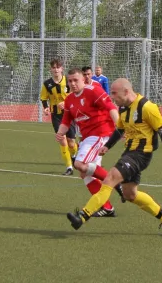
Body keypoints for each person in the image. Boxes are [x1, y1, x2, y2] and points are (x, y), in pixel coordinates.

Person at [66, 78, 162, 236]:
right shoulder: (123, 108)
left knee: (110, 179)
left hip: (141, 155)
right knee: (130, 194)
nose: (112, 96)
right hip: (129, 152)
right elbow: (119, 130)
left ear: (126, 92)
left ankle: (83, 216)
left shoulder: (147, 107)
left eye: (114, 93)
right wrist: (107, 146)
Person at [55, 68, 125, 217]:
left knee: (79, 164)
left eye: (76, 80)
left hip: (101, 133)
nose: (73, 83)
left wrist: (121, 129)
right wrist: (60, 133)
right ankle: (107, 208)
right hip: (87, 136)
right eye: (70, 81)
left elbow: (111, 108)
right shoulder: (69, 100)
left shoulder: (94, 91)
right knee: (85, 174)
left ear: (83, 80)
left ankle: (117, 184)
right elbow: (66, 121)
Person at [40, 58, 78, 175]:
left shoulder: (68, 81)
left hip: (69, 114)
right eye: (53, 67)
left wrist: (66, 103)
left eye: (58, 67)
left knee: (71, 142)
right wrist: (46, 107)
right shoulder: (47, 84)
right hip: (56, 116)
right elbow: (43, 97)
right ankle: (69, 167)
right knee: (62, 139)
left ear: (62, 69)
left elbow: (76, 95)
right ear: (51, 69)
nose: (56, 69)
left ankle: (75, 156)